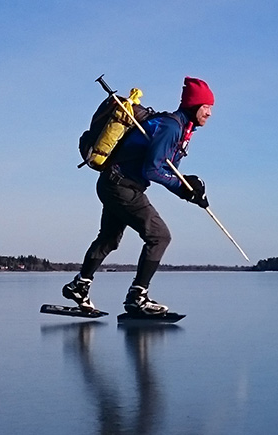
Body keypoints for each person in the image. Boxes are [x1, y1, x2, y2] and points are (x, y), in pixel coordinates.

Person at [62, 76, 214, 316]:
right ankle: (138, 297)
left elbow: (163, 167)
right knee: (159, 236)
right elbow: (152, 170)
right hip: (122, 186)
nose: (209, 113)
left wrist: (190, 188)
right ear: (195, 106)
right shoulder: (172, 126)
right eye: (206, 107)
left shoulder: (181, 130)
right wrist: (181, 189)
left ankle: (79, 286)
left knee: (109, 239)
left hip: (114, 183)